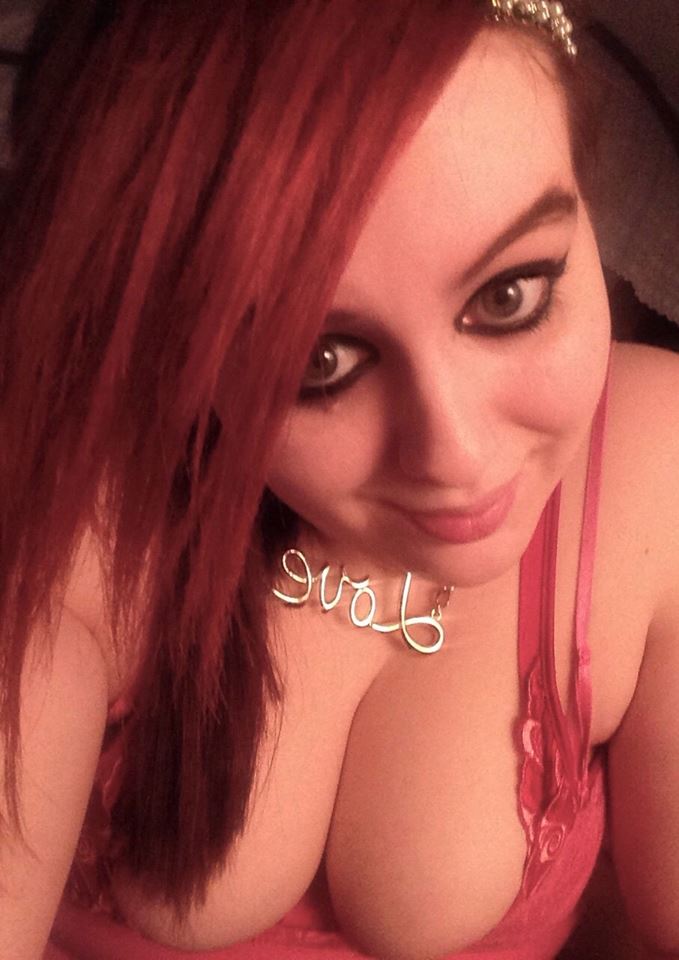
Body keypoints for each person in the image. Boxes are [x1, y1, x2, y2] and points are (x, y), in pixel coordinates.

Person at [0, 1, 677, 958]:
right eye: (316, 361)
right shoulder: (67, 519)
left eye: (509, 294)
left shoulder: (656, 462)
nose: (456, 457)